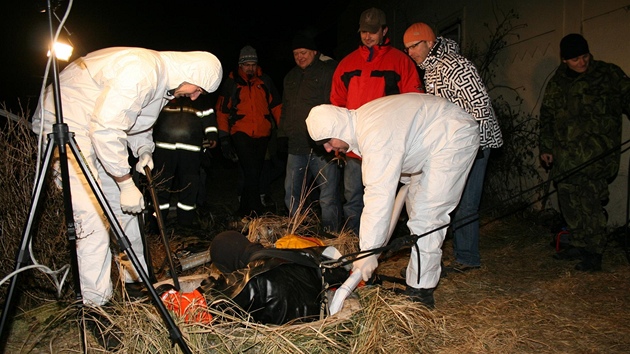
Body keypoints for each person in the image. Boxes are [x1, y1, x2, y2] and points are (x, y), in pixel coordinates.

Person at [31, 47, 222, 307]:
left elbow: (135, 122)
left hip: (95, 129)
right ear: (190, 72)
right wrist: (124, 181)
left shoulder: (162, 84)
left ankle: (136, 280)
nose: (195, 96)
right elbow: (107, 128)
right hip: (68, 123)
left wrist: (144, 149)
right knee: (92, 218)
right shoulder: (142, 70)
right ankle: (96, 306)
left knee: (127, 211)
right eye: (198, 88)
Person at [306, 93, 480, 308]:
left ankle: (421, 292)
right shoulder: (364, 123)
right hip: (432, 140)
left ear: (338, 129)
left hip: (453, 135)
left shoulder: (374, 133)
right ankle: (423, 269)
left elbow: (379, 195)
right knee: (416, 209)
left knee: (428, 216)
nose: (328, 149)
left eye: (327, 141)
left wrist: (368, 251)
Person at [402, 22, 503, 272]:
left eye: (415, 46)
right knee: (452, 200)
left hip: (476, 143)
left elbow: (480, 105)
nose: (411, 52)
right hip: (455, 145)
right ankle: (458, 254)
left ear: (430, 42)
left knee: (466, 202)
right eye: (407, 48)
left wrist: (475, 146)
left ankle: (467, 258)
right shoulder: (431, 69)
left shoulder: (455, 65)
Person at [538, 33, 630, 271]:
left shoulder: (609, 74)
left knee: (590, 203)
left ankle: (594, 251)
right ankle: (578, 243)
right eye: (575, 59)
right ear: (565, 60)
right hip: (565, 157)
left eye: (585, 56)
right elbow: (547, 115)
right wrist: (546, 147)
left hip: (596, 156)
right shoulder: (557, 81)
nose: (582, 62)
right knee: (569, 201)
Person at [330, 7, 421, 235]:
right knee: (352, 196)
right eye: (363, 32)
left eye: (372, 31)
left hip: (386, 145)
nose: (367, 36)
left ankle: (380, 243)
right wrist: (339, 138)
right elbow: (337, 104)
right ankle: (352, 241)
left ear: (384, 31)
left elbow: (415, 102)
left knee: (384, 197)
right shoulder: (347, 64)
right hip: (354, 147)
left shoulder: (401, 61)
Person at [203, 230, 349, 325]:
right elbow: (341, 269)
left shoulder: (252, 279)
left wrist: (215, 282)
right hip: (316, 332)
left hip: (287, 341)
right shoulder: (293, 255)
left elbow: (214, 304)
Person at [280, 32, 342, 232]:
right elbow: (286, 109)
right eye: (296, 53)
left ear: (315, 52)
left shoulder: (326, 72)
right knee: (291, 192)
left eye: (304, 52)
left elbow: (333, 105)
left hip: (322, 147)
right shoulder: (290, 77)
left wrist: (332, 138)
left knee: (328, 194)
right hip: (296, 146)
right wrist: (283, 135)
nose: (300, 57)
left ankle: (331, 232)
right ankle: (300, 230)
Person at [215, 45, 282, 217]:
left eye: (253, 64)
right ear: (240, 65)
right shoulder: (232, 83)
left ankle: (245, 209)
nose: (250, 68)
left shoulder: (265, 81)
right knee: (251, 170)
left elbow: (276, 107)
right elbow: (222, 111)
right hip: (240, 133)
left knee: (254, 171)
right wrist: (224, 138)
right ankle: (253, 209)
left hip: (262, 134)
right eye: (247, 64)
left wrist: (282, 132)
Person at [150, 97, 217, 233]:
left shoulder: (200, 98)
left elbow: (209, 118)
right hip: (164, 149)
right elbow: (150, 116)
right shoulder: (165, 94)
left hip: (190, 150)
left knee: (190, 185)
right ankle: (156, 224)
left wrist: (212, 136)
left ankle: (185, 224)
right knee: (161, 185)